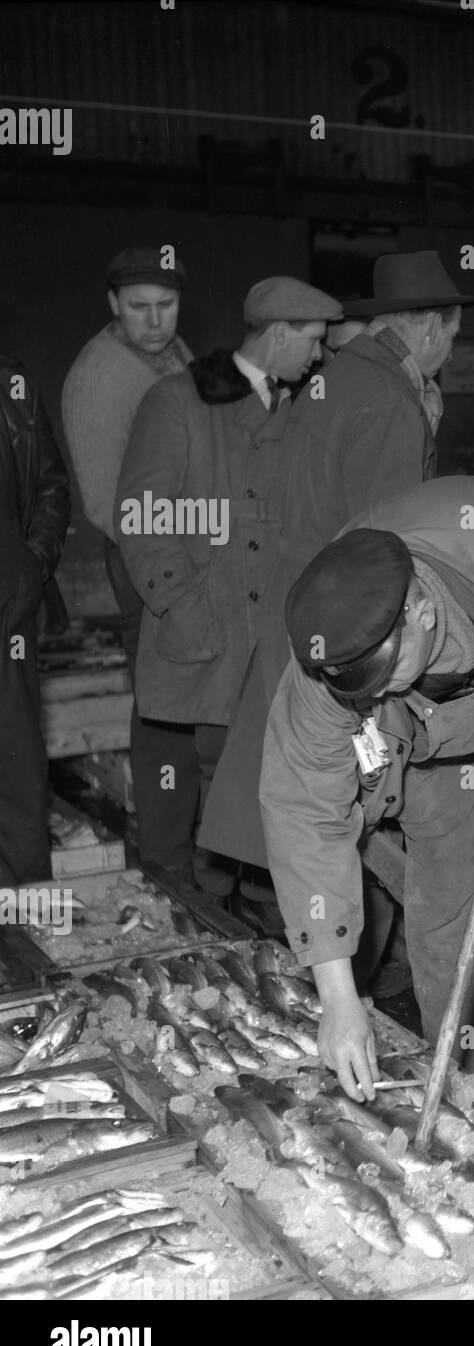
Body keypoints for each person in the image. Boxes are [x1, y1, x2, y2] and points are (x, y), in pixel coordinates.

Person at [259, 476, 474, 1108]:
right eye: (357, 688)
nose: (373, 692)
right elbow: (305, 812)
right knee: (442, 887)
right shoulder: (330, 646)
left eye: (384, 672)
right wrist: (337, 1000)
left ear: (422, 610)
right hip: (425, 731)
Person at [197, 252, 474, 879]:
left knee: (281, 790)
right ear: (431, 326)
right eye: (453, 336)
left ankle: (274, 919)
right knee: (342, 804)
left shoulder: (337, 380)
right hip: (343, 622)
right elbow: (385, 553)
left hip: (295, 602)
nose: (452, 352)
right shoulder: (388, 403)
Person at [114, 276, 341, 903]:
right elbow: (142, 518)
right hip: (209, 638)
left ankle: (259, 940)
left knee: (259, 805)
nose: (319, 355)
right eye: (312, 341)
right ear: (277, 335)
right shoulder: (177, 401)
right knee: (195, 811)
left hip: (271, 643)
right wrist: (186, 611)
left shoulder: (299, 407)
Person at [61, 247, 200, 884]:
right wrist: (204, 531)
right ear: (113, 305)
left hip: (193, 556)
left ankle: (194, 847)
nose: (154, 320)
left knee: (197, 700)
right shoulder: (99, 376)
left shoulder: (178, 355)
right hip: (147, 564)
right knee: (165, 708)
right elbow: (105, 506)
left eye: (165, 306)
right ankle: (167, 862)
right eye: (138, 308)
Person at [0, 357, 70, 885]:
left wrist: (33, 564)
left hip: (9, 609)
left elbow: (51, 483)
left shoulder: (15, 386)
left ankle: (29, 948)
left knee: (19, 779)